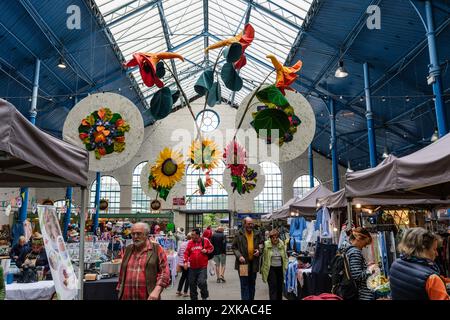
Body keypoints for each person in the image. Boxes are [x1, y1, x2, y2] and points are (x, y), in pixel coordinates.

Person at [390, 227, 450, 300]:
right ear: (423, 249)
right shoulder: (431, 278)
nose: (437, 254)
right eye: (434, 249)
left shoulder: (395, 265)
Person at [116, 222, 170, 300]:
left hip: (148, 296)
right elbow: (122, 271)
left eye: (138, 234)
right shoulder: (127, 249)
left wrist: (157, 290)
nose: (135, 236)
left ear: (146, 234)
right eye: (133, 234)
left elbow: (164, 272)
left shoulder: (157, 249)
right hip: (127, 296)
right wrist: (120, 289)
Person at [232, 217, 264, 300]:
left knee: (252, 284)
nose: (251, 225)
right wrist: (239, 256)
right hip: (243, 264)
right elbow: (234, 247)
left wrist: (259, 251)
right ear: (244, 224)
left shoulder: (257, 233)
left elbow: (262, 244)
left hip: (254, 264)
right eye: (249, 224)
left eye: (252, 223)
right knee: (244, 285)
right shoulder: (239, 233)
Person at [184, 228, 214, 300]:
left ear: (197, 235)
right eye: (191, 234)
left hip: (202, 267)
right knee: (192, 284)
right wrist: (185, 262)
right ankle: (194, 298)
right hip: (192, 267)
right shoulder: (190, 242)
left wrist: (206, 250)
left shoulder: (205, 240)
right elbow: (186, 253)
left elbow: (212, 248)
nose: (191, 236)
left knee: (202, 282)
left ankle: (205, 296)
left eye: (193, 235)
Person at [345, 227, 374, 300]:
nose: (365, 246)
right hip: (362, 295)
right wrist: (371, 269)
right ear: (359, 239)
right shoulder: (355, 252)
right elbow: (357, 276)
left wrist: (367, 266)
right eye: (365, 243)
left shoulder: (348, 250)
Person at [261, 229, 288, 300]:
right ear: (270, 238)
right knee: (273, 286)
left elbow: (285, 256)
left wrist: (286, 265)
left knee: (279, 287)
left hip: (280, 268)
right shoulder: (266, 244)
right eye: (273, 238)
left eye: (276, 237)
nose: (275, 239)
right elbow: (262, 254)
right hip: (271, 268)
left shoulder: (281, 243)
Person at [176, 233, 191, 297]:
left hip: (182, 263)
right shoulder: (191, 244)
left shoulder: (182, 244)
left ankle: (178, 291)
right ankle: (185, 292)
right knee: (188, 278)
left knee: (183, 277)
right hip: (188, 263)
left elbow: (178, 253)